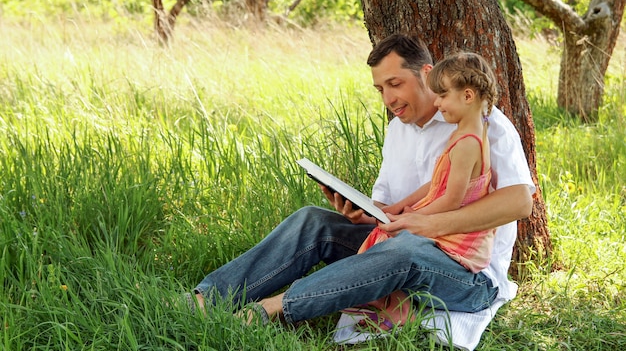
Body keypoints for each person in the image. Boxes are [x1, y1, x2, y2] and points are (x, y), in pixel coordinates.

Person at [190, 34, 534, 343]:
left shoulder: (485, 124)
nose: (388, 98)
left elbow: (520, 203)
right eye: (380, 89)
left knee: (405, 250)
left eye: (395, 84)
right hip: (400, 242)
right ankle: (206, 300)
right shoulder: (398, 130)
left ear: (426, 74)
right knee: (314, 220)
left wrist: (425, 225)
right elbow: (386, 208)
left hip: (465, 273)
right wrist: (361, 212)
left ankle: (272, 309)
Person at [350, 51, 500, 331]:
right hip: (440, 215)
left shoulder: (469, 142)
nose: (437, 102)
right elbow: (436, 182)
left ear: (468, 96)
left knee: (387, 239)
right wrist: (400, 208)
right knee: (384, 232)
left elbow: (453, 200)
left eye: (443, 95)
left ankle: (397, 309)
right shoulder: (460, 133)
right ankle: (386, 300)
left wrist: (411, 219)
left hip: (458, 236)